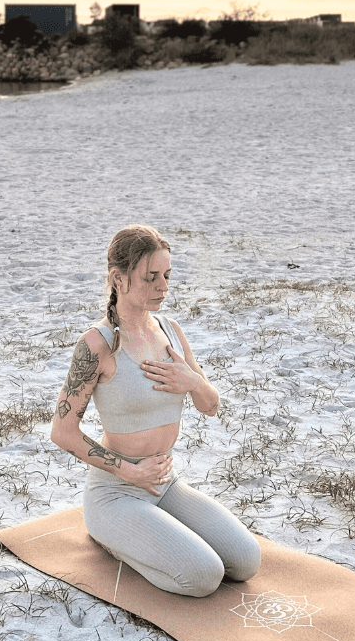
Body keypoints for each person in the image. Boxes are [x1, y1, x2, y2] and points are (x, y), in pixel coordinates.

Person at [50, 225, 261, 597]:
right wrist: (130, 471)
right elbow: (62, 432)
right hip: (117, 492)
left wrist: (192, 382)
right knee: (204, 577)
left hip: (166, 483)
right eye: (151, 278)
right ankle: (114, 539)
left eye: (167, 276)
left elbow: (210, 407)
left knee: (245, 561)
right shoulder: (97, 345)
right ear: (119, 278)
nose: (163, 286)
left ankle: (152, 534)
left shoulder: (171, 332)